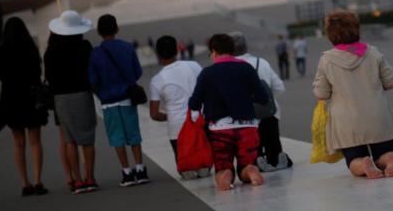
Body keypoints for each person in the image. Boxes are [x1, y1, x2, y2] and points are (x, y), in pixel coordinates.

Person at [313, 10, 393, 179]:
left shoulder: (326, 60)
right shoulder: (373, 52)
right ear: (356, 29)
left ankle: (363, 164)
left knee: (354, 159)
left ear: (330, 34)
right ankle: (389, 159)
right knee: (383, 151)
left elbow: (321, 93)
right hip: (377, 114)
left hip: (347, 120)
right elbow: (392, 82)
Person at [188, 33, 269, 191]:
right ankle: (250, 171)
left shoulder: (207, 73)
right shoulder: (246, 68)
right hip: (248, 126)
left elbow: (194, 103)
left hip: (220, 129)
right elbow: (262, 97)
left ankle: (225, 175)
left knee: (222, 165)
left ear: (214, 51)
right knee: (247, 163)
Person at [89, 14, 150, 187]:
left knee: (117, 138)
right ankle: (140, 169)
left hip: (108, 101)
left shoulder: (96, 53)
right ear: (116, 28)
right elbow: (137, 72)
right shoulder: (127, 47)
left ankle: (127, 172)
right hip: (127, 98)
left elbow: (92, 80)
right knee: (134, 134)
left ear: (99, 31)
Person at [45, 11, 99, 194]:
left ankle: (77, 180)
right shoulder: (84, 46)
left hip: (61, 98)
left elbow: (49, 77)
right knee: (88, 139)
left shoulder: (50, 50)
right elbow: (92, 69)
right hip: (82, 94)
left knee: (70, 140)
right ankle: (90, 177)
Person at [0, 16, 49, 196]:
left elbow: (0, 76)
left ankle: (25, 184)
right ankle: (38, 180)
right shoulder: (30, 48)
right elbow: (37, 73)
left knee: (18, 144)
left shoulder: (0, 52)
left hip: (11, 99)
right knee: (35, 142)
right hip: (31, 98)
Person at [231, 32, 290, 171]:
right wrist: (267, 99)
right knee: (274, 149)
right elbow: (279, 87)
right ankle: (275, 161)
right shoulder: (261, 62)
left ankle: (257, 164)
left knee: (252, 150)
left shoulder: (230, 67)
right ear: (246, 46)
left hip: (246, 117)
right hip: (269, 111)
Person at [148, 35, 203, 175]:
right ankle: (204, 167)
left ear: (158, 54)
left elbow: (154, 114)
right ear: (177, 50)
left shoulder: (157, 80)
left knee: (185, 167)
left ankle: (189, 170)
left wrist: (170, 116)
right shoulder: (194, 66)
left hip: (177, 129)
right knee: (204, 161)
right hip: (200, 123)